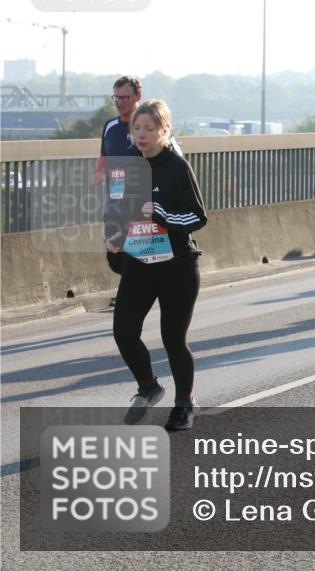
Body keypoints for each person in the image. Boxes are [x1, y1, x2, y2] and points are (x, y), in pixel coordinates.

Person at [106, 99, 207, 431]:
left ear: (164, 130)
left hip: (176, 266)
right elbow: (116, 210)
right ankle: (148, 386)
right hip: (139, 263)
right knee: (123, 331)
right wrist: (114, 239)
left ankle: (184, 404)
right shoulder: (125, 167)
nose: (141, 134)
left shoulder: (178, 168)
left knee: (172, 338)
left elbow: (197, 216)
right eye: (137, 128)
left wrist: (161, 216)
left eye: (149, 129)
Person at [95, 76, 145, 280]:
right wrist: (99, 172)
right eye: (116, 97)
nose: (119, 102)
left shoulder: (146, 125)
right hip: (115, 202)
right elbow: (103, 158)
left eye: (125, 97)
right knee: (114, 254)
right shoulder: (110, 126)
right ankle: (134, 287)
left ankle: (132, 292)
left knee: (135, 251)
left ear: (137, 96)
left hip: (140, 203)